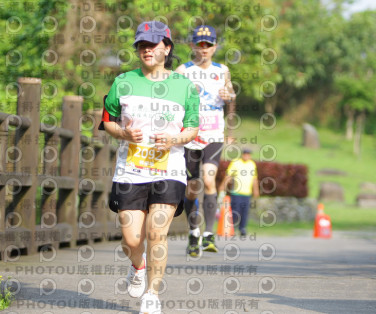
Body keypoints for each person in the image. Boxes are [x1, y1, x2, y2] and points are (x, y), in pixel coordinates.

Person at [100, 20, 200, 314]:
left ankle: (152, 294)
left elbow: (192, 128)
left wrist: (174, 138)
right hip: (130, 171)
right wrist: (123, 133)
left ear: (167, 48)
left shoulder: (184, 86)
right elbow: (107, 121)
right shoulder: (123, 82)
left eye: (153, 44)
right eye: (142, 45)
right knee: (132, 239)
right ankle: (137, 265)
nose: (146, 49)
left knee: (157, 233)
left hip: (169, 170)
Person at [175, 25, 235, 256]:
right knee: (192, 188)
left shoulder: (223, 70)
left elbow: (230, 97)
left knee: (209, 181)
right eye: (200, 45)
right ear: (192, 46)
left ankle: (209, 234)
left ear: (215, 47)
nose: (204, 49)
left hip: (213, 134)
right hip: (189, 135)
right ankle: (193, 232)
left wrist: (228, 97)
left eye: (208, 45)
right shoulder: (183, 70)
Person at [220, 148, 259, 237]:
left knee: (245, 212)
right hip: (236, 192)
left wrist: (256, 190)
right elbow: (228, 176)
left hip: (247, 193)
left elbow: (254, 179)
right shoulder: (236, 163)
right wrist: (223, 186)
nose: (247, 156)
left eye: (248, 154)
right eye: (245, 154)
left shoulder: (252, 164)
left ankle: (242, 228)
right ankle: (232, 228)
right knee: (235, 211)